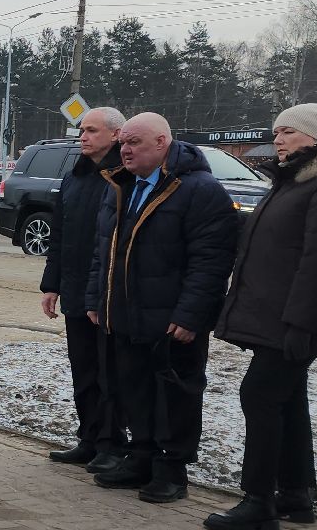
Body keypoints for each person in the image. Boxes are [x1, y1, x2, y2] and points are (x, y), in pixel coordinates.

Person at [206, 103, 317, 530]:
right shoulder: (294, 181)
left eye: (289, 132)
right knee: (288, 400)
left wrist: (301, 325)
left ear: (315, 138)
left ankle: (258, 500)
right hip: (275, 317)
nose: (279, 139)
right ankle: (295, 495)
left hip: (293, 321)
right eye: (277, 131)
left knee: (259, 395)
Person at [86, 113, 239, 503]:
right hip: (125, 311)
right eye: (124, 142)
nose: (126, 149)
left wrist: (190, 315)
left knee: (174, 396)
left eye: (135, 142)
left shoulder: (199, 190)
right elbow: (103, 251)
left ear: (162, 142)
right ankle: (141, 457)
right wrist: (96, 300)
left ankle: (172, 469)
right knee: (133, 388)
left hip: (172, 318)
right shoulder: (120, 185)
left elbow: (211, 261)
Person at [40, 108, 128, 470]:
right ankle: (88, 438)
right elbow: (59, 235)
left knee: (110, 371)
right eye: (81, 130)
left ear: (116, 135)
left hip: (108, 291)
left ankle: (112, 443)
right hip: (76, 287)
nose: (83, 137)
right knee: (83, 369)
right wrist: (51, 285)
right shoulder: (75, 176)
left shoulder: (123, 177)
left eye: (91, 130)